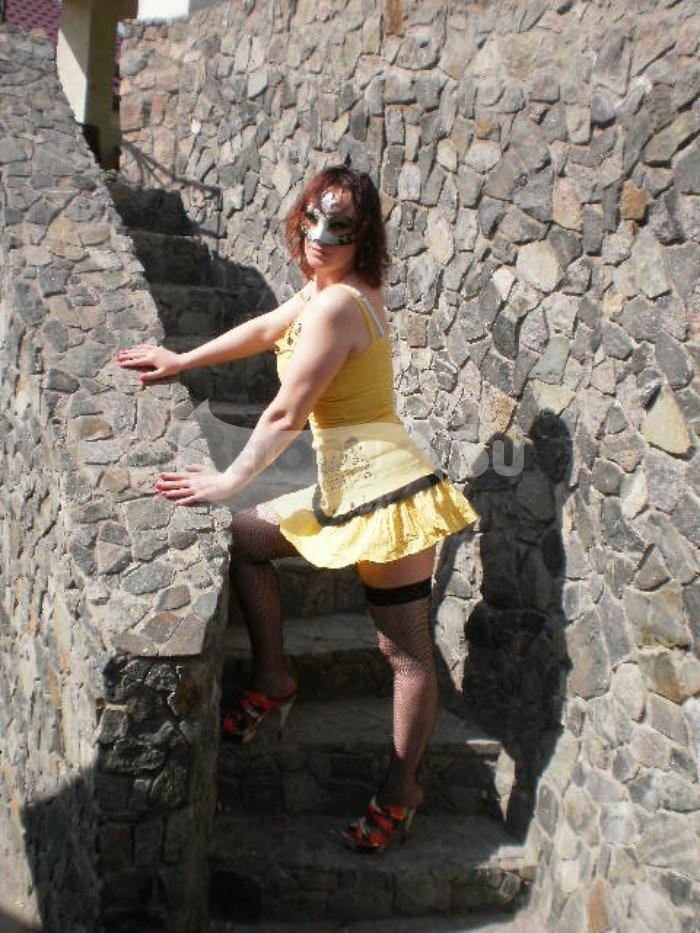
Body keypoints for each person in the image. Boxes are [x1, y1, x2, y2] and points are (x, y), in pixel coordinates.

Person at [114, 165, 478, 853]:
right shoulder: (323, 292)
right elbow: (264, 328)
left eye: (340, 226)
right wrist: (181, 360)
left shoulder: (341, 304)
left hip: (388, 490)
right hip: (345, 486)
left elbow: (286, 411)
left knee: (403, 651)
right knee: (247, 542)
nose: (320, 235)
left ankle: (401, 791)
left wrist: (228, 479)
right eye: (313, 216)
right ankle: (275, 677)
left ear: (364, 236)